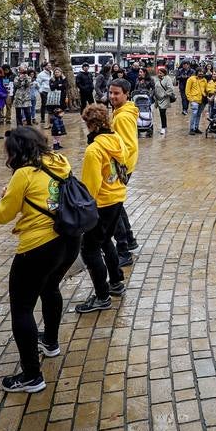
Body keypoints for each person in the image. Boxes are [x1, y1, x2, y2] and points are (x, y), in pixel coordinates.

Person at [0, 127, 79, 392]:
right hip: (69, 239)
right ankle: (50, 341)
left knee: (22, 308)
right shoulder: (60, 161)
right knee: (50, 288)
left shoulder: (23, 174)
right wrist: (15, 195)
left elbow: (2, 216)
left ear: (16, 151)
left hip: (38, 247)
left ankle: (31, 375)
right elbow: (48, 197)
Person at [73, 103, 129, 313]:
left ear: (91, 124)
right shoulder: (116, 140)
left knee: (90, 249)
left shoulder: (94, 149)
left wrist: (83, 211)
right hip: (117, 197)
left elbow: (90, 186)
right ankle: (115, 281)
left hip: (101, 203)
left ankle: (102, 295)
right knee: (107, 241)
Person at [108, 78, 140, 266]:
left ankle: (124, 249)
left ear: (126, 94)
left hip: (120, 168)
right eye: (111, 93)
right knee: (117, 205)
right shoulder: (119, 112)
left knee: (112, 209)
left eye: (116, 93)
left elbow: (129, 145)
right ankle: (129, 239)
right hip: (121, 167)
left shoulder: (123, 116)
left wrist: (120, 170)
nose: (112, 96)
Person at [153, 65, 176, 135]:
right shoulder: (157, 79)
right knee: (161, 113)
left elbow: (171, 89)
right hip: (158, 99)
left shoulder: (167, 78)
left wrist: (164, 94)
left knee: (162, 112)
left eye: (161, 73)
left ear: (164, 73)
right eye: (158, 73)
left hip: (165, 99)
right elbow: (156, 88)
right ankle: (164, 126)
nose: (159, 74)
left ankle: (163, 127)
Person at [185, 67, 207, 134]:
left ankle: (196, 127)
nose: (201, 73)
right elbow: (187, 90)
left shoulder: (204, 80)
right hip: (194, 99)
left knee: (199, 114)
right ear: (197, 72)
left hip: (202, 100)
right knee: (194, 113)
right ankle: (191, 128)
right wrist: (190, 99)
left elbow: (206, 89)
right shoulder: (191, 79)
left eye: (202, 72)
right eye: (199, 71)